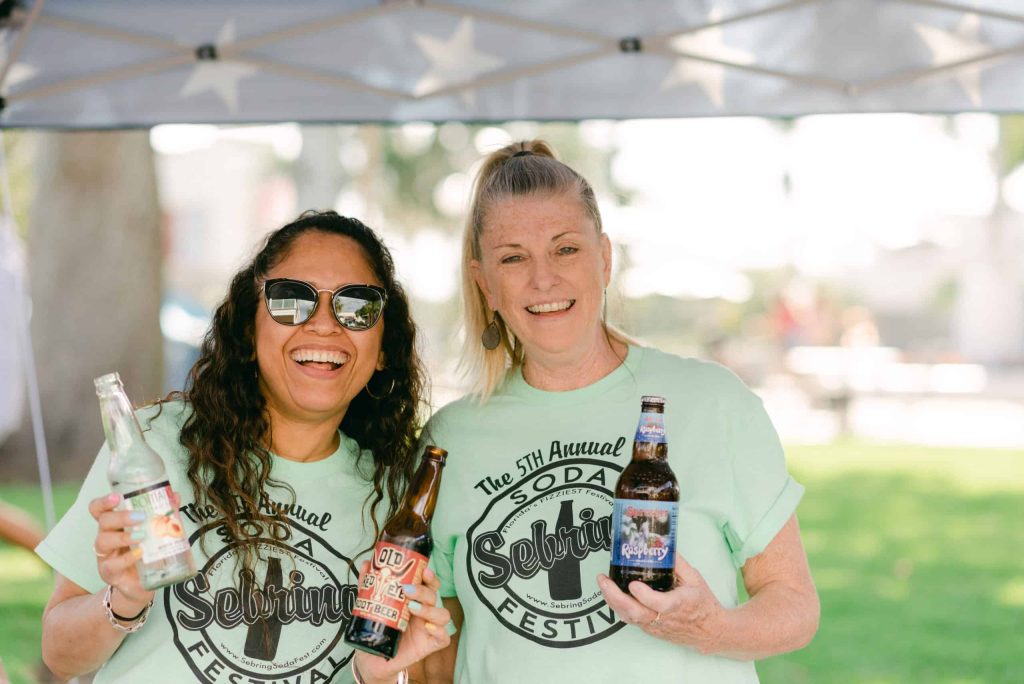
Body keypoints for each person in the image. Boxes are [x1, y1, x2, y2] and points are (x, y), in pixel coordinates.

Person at [421, 142, 819, 682]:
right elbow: (441, 643)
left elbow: (795, 608)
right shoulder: (451, 440)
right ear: (484, 282)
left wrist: (711, 628)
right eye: (514, 258)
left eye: (565, 250)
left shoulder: (711, 402)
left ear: (604, 259)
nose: (543, 280)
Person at [36, 211, 450, 684]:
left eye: (358, 305)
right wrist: (124, 599)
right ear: (250, 331)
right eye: (291, 300)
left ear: (382, 348)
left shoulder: (398, 498)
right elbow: (61, 655)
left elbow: (390, 668)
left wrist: (373, 675)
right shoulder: (154, 443)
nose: (323, 325)